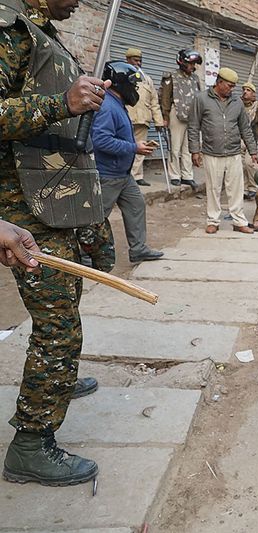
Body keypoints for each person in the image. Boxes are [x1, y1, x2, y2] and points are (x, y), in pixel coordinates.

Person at [0, 0, 110, 486]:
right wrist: (61, 103)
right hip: (25, 207)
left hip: (54, 201)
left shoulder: (41, 32)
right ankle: (31, 443)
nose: (81, 3)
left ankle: (56, 378)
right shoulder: (9, 28)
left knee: (64, 314)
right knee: (58, 327)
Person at [91, 60, 164, 263]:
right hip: (108, 175)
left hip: (122, 175)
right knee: (96, 218)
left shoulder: (117, 104)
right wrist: (134, 147)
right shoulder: (107, 106)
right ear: (120, 82)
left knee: (136, 205)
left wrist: (136, 144)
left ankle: (138, 249)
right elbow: (101, 141)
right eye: (132, 83)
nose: (134, 89)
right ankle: (84, 256)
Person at [188, 67, 258, 235]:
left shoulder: (237, 103)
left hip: (234, 153)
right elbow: (193, 127)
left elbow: (245, 128)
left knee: (236, 189)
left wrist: (253, 150)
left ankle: (239, 221)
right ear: (219, 82)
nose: (232, 89)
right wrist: (194, 151)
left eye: (234, 86)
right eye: (229, 85)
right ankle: (213, 221)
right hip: (211, 152)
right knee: (213, 188)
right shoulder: (201, 99)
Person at [160, 48, 202, 189]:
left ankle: (187, 175)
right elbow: (165, 98)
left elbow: (199, 96)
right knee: (175, 147)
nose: (193, 66)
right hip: (176, 113)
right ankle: (174, 175)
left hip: (192, 116)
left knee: (188, 148)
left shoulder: (195, 78)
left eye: (194, 64)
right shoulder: (171, 76)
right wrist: (165, 116)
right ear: (182, 62)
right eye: (191, 63)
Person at [124, 48, 165, 187]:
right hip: (126, 118)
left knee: (141, 149)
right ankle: (125, 175)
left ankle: (137, 176)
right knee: (126, 147)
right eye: (135, 60)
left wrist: (158, 121)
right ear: (128, 60)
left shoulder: (147, 79)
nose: (138, 63)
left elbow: (154, 101)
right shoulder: (122, 75)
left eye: (140, 61)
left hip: (143, 120)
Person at [241, 82, 258, 201]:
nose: (245, 92)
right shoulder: (238, 105)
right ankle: (243, 189)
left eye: (248, 90)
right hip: (240, 139)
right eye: (244, 90)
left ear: (253, 94)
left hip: (253, 139)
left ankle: (253, 188)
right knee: (240, 165)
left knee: (249, 163)